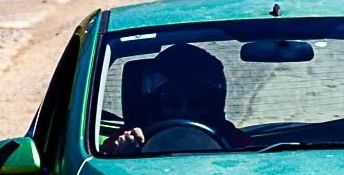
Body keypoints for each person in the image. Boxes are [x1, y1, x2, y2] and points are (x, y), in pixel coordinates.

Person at [100, 43, 254, 155]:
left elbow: (252, 165)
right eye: (173, 103)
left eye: (196, 103)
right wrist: (122, 154)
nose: (184, 111)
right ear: (157, 103)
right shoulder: (132, 136)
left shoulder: (229, 136)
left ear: (211, 104)